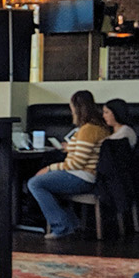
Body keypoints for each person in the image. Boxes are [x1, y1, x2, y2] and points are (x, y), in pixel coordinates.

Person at [27, 90, 112, 240]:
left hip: (83, 176)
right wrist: (70, 147)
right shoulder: (96, 128)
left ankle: (62, 226)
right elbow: (85, 152)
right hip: (88, 175)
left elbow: (77, 163)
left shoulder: (88, 130)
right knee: (44, 182)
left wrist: (49, 168)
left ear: (77, 108)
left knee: (35, 183)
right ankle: (70, 222)